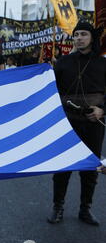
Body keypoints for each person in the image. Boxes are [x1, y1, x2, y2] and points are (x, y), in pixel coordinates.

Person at [47, 21, 106, 226]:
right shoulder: (63, 62)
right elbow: (51, 90)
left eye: (83, 34)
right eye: (76, 34)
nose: (79, 38)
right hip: (67, 121)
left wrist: (102, 110)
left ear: (92, 38)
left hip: (94, 121)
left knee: (90, 167)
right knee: (63, 166)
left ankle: (85, 209)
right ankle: (58, 207)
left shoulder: (103, 63)